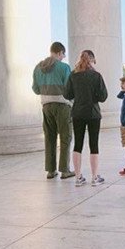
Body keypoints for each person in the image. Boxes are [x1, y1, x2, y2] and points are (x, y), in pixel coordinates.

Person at [64, 50, 108, 187]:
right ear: (92, 60)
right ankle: (95, 177)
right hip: (93, 113)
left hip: (77, 113)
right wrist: (93, 96)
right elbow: (103, 97)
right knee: (94, 145)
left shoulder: (73, 75)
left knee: (78, 144)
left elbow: (67, 94)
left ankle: (78, 178)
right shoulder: (96, 76)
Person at [32, 41, 75, 180]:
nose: (63, 57)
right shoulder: (64, 67)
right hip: (62, 105)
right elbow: (69, 88)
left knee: (49, 138)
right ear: (59, 53)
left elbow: (35, 89)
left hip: (46, 106)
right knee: (65, 137)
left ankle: (51, 170)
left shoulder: (38, 67)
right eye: (63, 54)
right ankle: (65, 170)